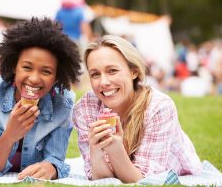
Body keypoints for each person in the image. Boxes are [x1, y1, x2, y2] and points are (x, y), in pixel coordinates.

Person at [0, 17, 82, 179]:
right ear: (14, 66)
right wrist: (11, 134)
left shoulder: (64, 102)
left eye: (46, 71)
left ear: (56, 76)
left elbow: (55, 159)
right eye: (27, 67)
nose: (34, 78)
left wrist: (52, 167)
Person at [72, 35, 201, 183]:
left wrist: (116, 150)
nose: (104, 82)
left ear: (134, 71)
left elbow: (143, 181)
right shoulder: (85, 108)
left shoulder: (159, 107)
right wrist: (95, 151)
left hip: (175, 169)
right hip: (126, 170)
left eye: (112, 70)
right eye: (95, 74)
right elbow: (103, 181)